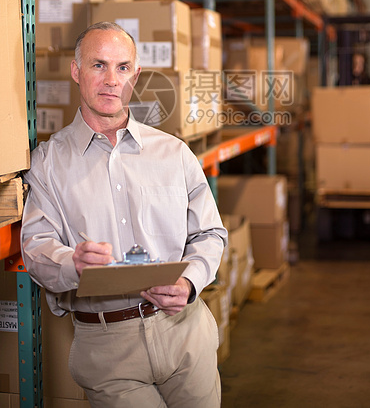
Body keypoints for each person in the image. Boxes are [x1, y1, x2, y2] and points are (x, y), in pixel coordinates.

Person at [21, 21, 228, 408]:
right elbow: (35, 249)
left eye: (122, 68)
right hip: (107, 346)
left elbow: (210, 234)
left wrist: (190, 283)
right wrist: (72, 261)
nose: (111, 80)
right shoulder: (48, 163)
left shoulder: (174, 153)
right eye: (98, 65)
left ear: (136, 75)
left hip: (183, 330)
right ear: (76, 71)